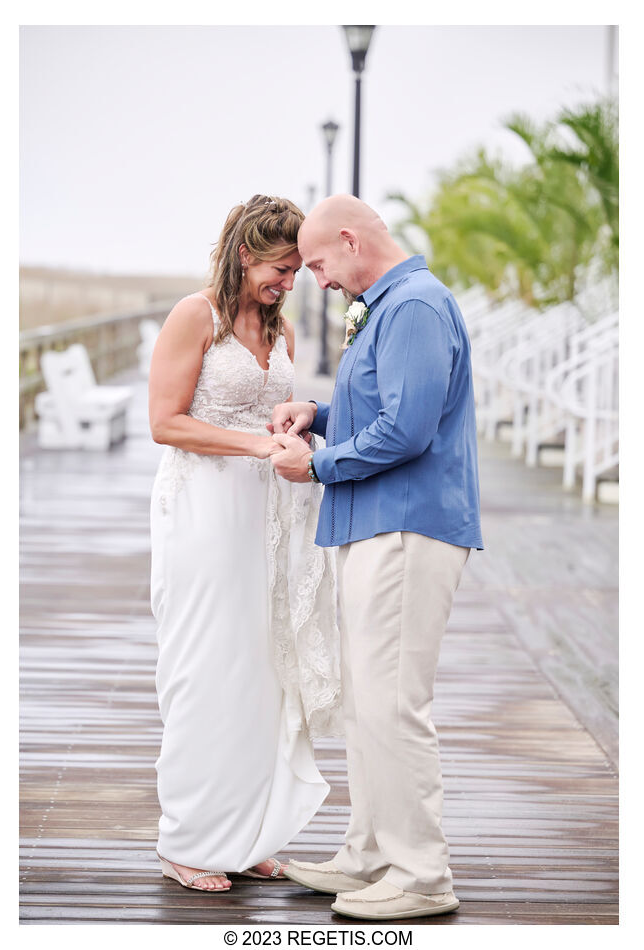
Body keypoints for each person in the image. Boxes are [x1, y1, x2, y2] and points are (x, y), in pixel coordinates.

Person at [270, 194, 483, 921]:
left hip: (407, 528)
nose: (319, 280)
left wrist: (319, 465)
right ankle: (370, 853)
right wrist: (320, 415)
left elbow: (409, 430)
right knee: (365, 704)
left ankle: (423, 874)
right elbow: (382, 406)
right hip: (377, 527)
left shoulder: (416, 304)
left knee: (394, 704)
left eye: (322, 263)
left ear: (352, 241)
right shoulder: (388, 305)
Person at [148, 194, 341, 893]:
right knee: (207, 665)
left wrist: (292, 438)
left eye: (296, 273)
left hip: (268, 515)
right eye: (282, 269)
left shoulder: (282, 333)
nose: (289, 283)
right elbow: (165, 423)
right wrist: (256, 444)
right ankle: (187, 838)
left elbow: (279, 420)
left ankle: (247, 830)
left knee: (263, 668)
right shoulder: (193, 317)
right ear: (244, 253)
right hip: (202, 513)